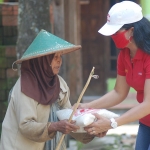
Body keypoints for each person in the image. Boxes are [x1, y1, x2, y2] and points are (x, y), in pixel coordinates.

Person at [0, 30, 95, 150]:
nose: (59, 60)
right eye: (55, 57)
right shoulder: (25, 87)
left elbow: (69, 120)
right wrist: (54, 126)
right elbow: (25, 125)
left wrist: (92, 130)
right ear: (42, 61)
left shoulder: (60, 84)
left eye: (60, 56)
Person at [77, 1, 150, 150]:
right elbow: (119, 92)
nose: (112, 36)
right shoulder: (124, 55)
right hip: (145, 122)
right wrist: (87, 107)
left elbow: (148, 104)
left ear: (131, 30)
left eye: (115, 32)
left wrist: (112, 123)